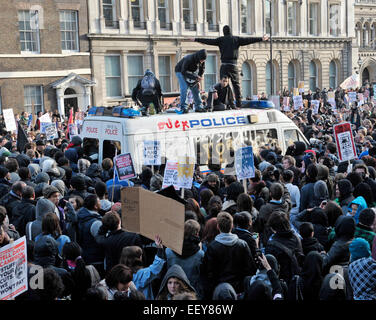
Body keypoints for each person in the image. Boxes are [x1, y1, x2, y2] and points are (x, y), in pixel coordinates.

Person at [192, 25, 269, 109]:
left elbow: (208, 41)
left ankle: (220, 103)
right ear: (231, 31)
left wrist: (196, 39)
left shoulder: (220, 40)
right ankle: (238, 104)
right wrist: (261, 39)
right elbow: (248, 40)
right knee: (236, 85)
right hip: (233, 66)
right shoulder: (236, 39)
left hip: (224, 65)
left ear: (223, 32)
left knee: (223, 84)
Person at [202, 211, 256, 298]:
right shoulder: (242, 244)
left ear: (218, 227)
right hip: (239, 289)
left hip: (220, 289)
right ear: (232, 226)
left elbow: (208, 272)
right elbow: (250, 268)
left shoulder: (212, 247)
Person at [165, 219, 204, 298]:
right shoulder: (200, 255)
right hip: (192, 292)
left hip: (172, 290)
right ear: (197, 234)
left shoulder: (168, 251)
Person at [120, 235, 165, 300]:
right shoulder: (140, 274)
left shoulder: (120, 272)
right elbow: (155, 268)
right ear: (138, 258)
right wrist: (160, 248)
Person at [174, 49, 207, 113]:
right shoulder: (189, 59)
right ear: (198, 57)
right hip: (180, 71)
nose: (202, 62)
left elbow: (201, 70)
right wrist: (195, 77)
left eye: (203, 60)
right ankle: (184, 107)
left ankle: (199, 106)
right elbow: (183, 71)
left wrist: (198, 79)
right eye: (201, 60)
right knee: (184, 88)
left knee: (195, 88)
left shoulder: (202, 60)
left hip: (191, 72)